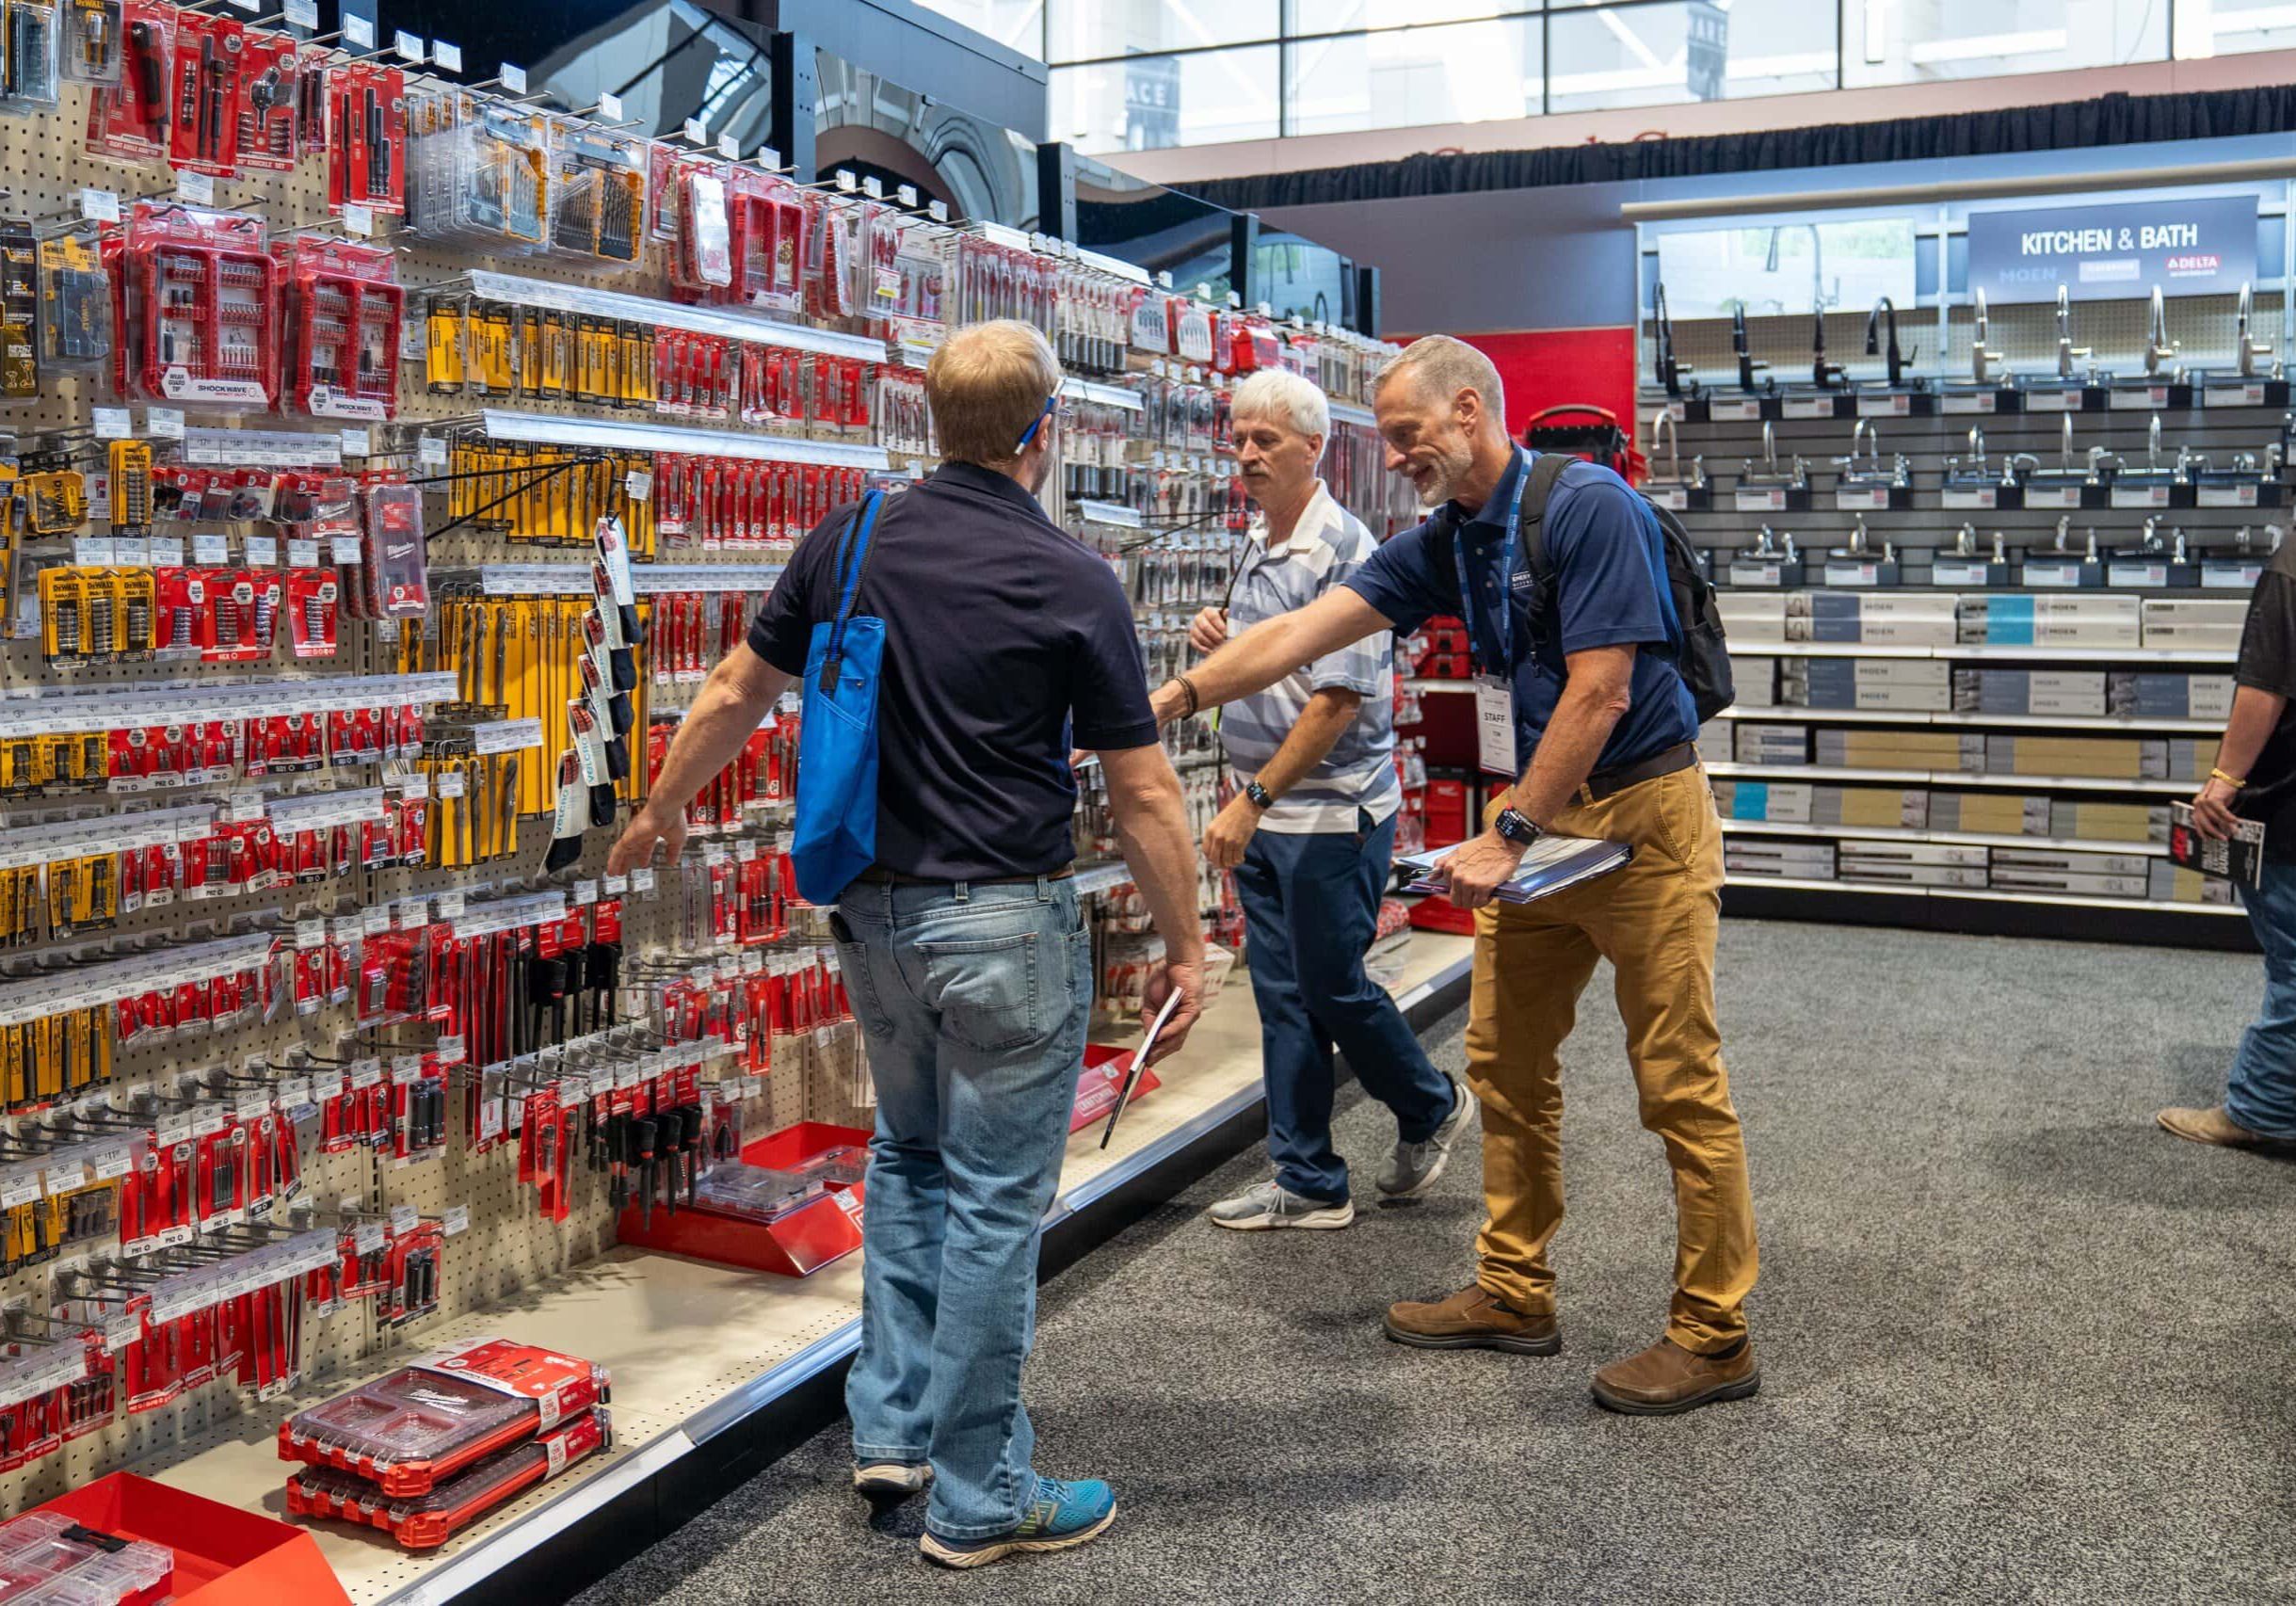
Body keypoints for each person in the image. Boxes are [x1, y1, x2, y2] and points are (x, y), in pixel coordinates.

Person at [607, 320, 1206, 1566]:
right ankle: (980, 1492)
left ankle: (890, 1430)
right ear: (1044, 430)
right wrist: (1189, 942)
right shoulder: (1071, 579)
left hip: (871, 915)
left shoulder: (850, 536)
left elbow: (731, 691)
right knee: (992, 1200)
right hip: (1005, 924)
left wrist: (660, 804)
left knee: (908, 1161)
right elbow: (1144, 795)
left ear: (933, 422)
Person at [1148, 335, 1760, 1415]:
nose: (1396, 458)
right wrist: (1170, 699)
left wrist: (1509, 829)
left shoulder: (1587, 509)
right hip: (1539, 826)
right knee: (1505, 1065)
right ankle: (1515, 1289)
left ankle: (1715, 1334)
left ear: (1469, 410)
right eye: (1385, 440)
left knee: (1679, 1081)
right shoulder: (1446, 538)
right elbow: (1301, 630)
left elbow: (1602, 691)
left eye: (1407, 435)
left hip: (1639, 821)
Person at [1193, 369, 1471, 1231]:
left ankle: (1430, 1104)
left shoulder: (1346, 549)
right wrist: (1220, 637)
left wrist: (1254, 798)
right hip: (1271, 809)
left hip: (1326, 812)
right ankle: (1308, 1180)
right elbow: (1275, 661)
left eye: (1264, 441)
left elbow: (1337, 700)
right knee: (1283, 994)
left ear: (1312, 448)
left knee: (1332, 987)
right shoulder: (1254, 541)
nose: (1245, 455)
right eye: (1237, 438)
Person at [2160, 533, 2296, 1149]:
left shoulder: (2292, 561)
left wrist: (2221, 782)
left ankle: (2260, 1110)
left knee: (2293, 966)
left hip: (2289, 808)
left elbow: (2265, 684)